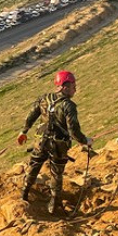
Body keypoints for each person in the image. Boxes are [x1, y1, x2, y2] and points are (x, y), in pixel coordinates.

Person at [17, 70, 93, 214]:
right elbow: (73, 131)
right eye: (73, 86)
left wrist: (23, 131)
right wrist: (85, 141)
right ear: (64, 87)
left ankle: (24, 193)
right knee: (56, 174)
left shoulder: (44, 98)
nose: (75, 89)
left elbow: (31, 116)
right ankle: (55, 203)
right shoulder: (68, 106)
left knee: (34, 166)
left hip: (40, 142)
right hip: (58, 145)